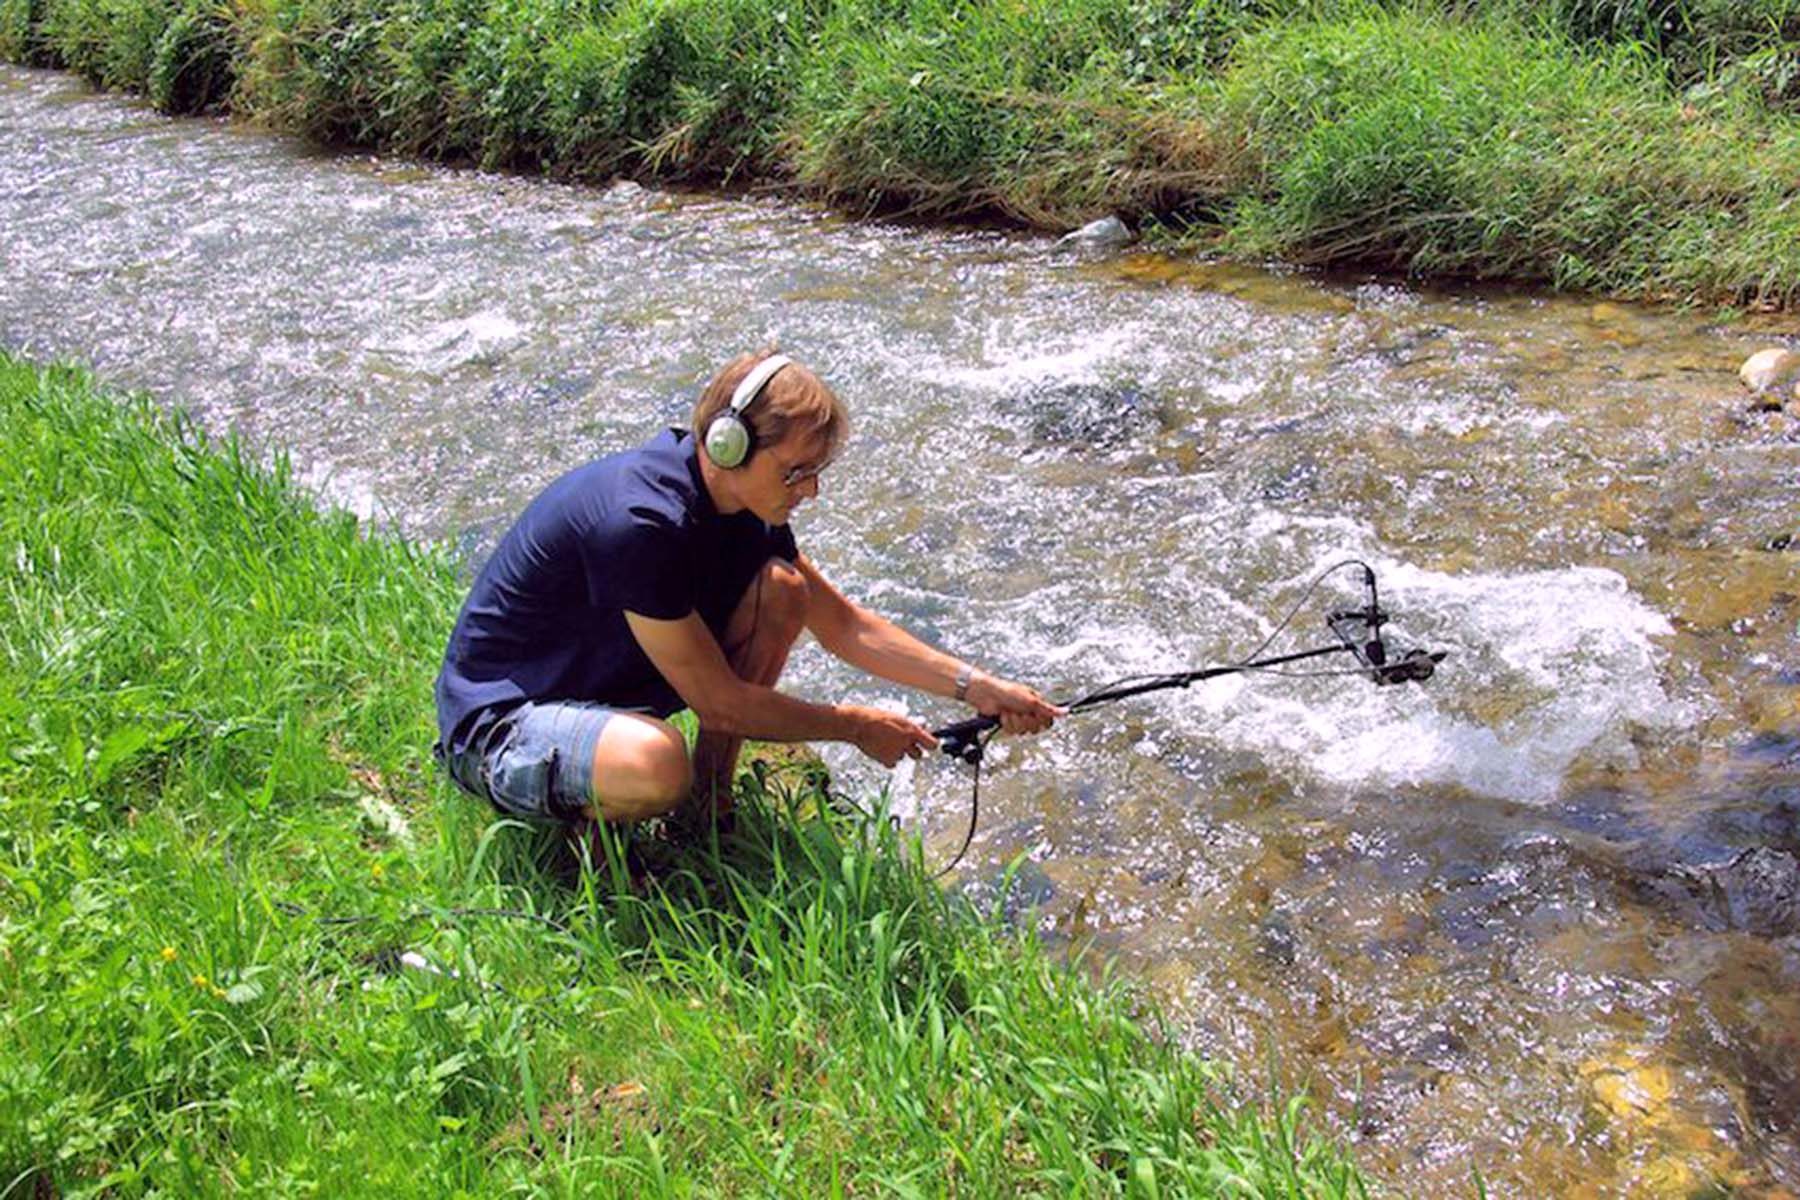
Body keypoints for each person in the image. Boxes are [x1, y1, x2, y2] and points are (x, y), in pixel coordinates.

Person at [434, 349, 1060, 832]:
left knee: (782, 590)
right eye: (795, 472)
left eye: (816, 472)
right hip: (500, 726)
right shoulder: (640, 524)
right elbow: (722, 703)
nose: (809, 490)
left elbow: (847, 626)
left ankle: (707, 808)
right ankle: (598, 844)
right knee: (658, 763)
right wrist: (857, 726)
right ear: (726, 446)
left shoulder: (745, 510)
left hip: (594, 703)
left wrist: (976, 686)